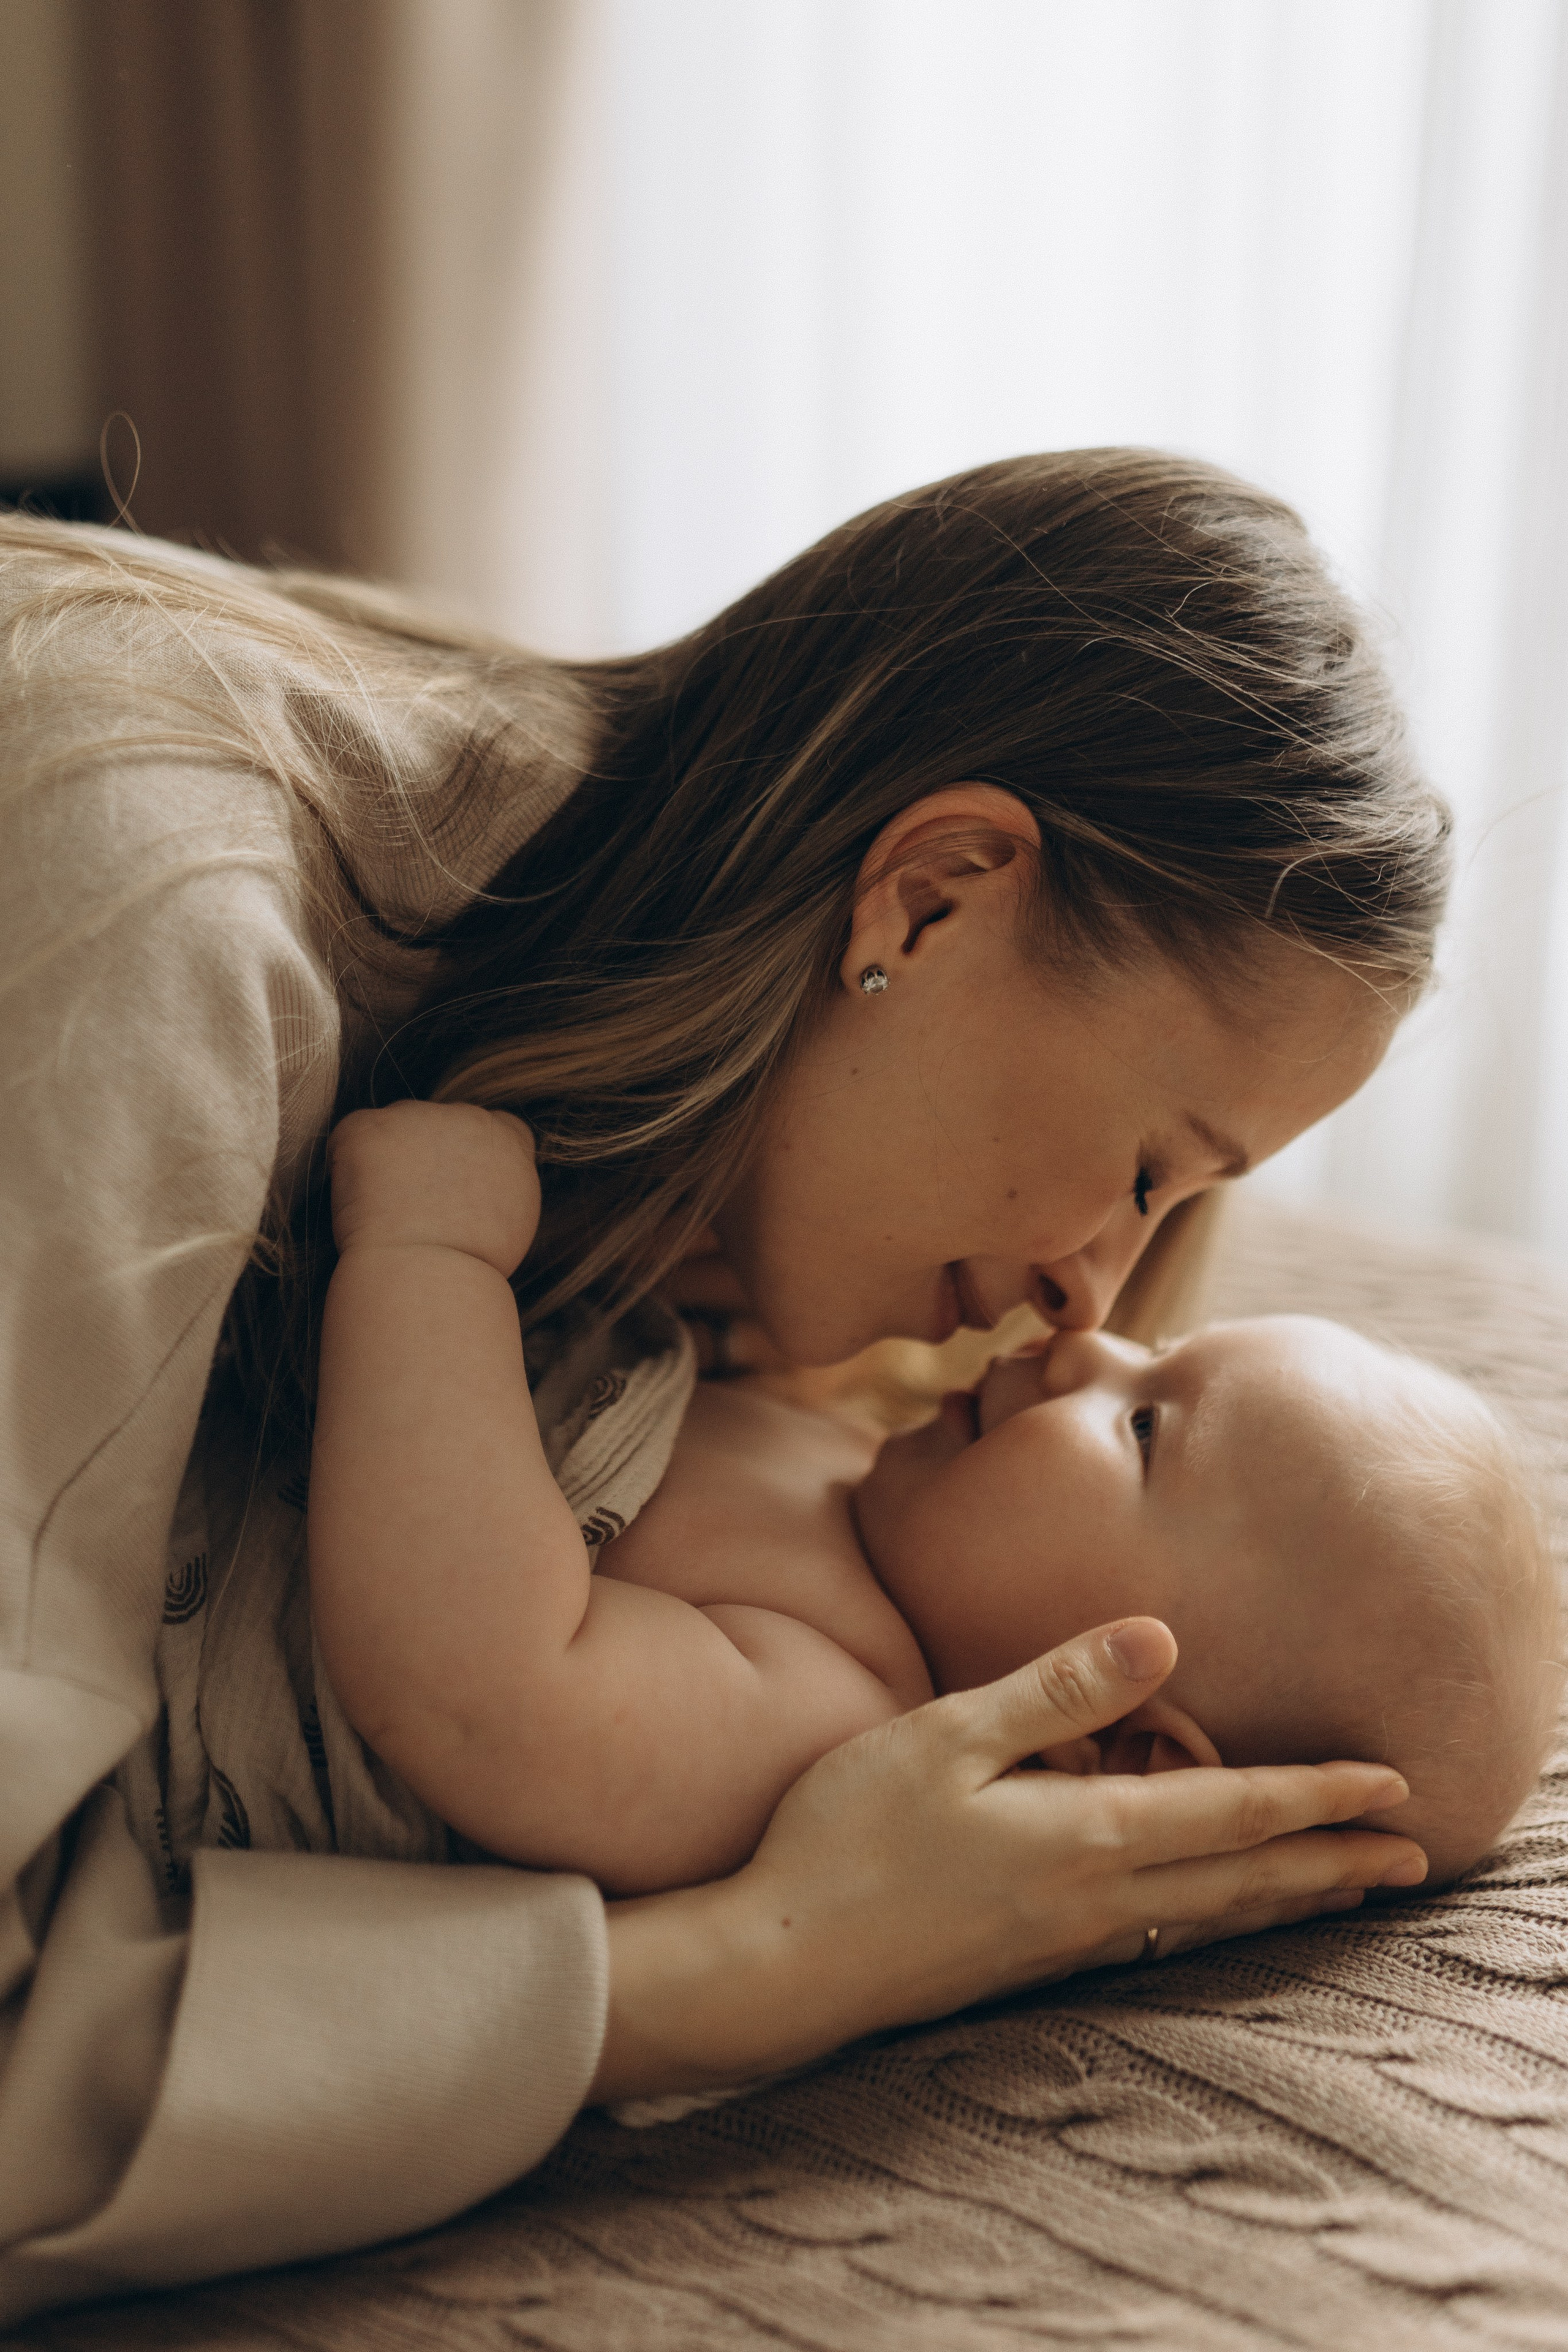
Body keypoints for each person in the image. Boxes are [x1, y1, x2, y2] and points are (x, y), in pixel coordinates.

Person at [0, 449, 1449, 2321]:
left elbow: (506, 1679)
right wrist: (774, 1962)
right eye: (1156, 1167)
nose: (1089, 1302)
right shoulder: (164, 928)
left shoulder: (789, 1508)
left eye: (1168, 1223)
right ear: (927, 900)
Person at [308, 1099, 1557, 1906]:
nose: (1084, 1344)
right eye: (1155, 1346)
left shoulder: (824, 1716)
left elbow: (475, 1690)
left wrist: (432, 1258)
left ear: (1121, 1743)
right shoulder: (861, 1468)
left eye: (1140, 1426)